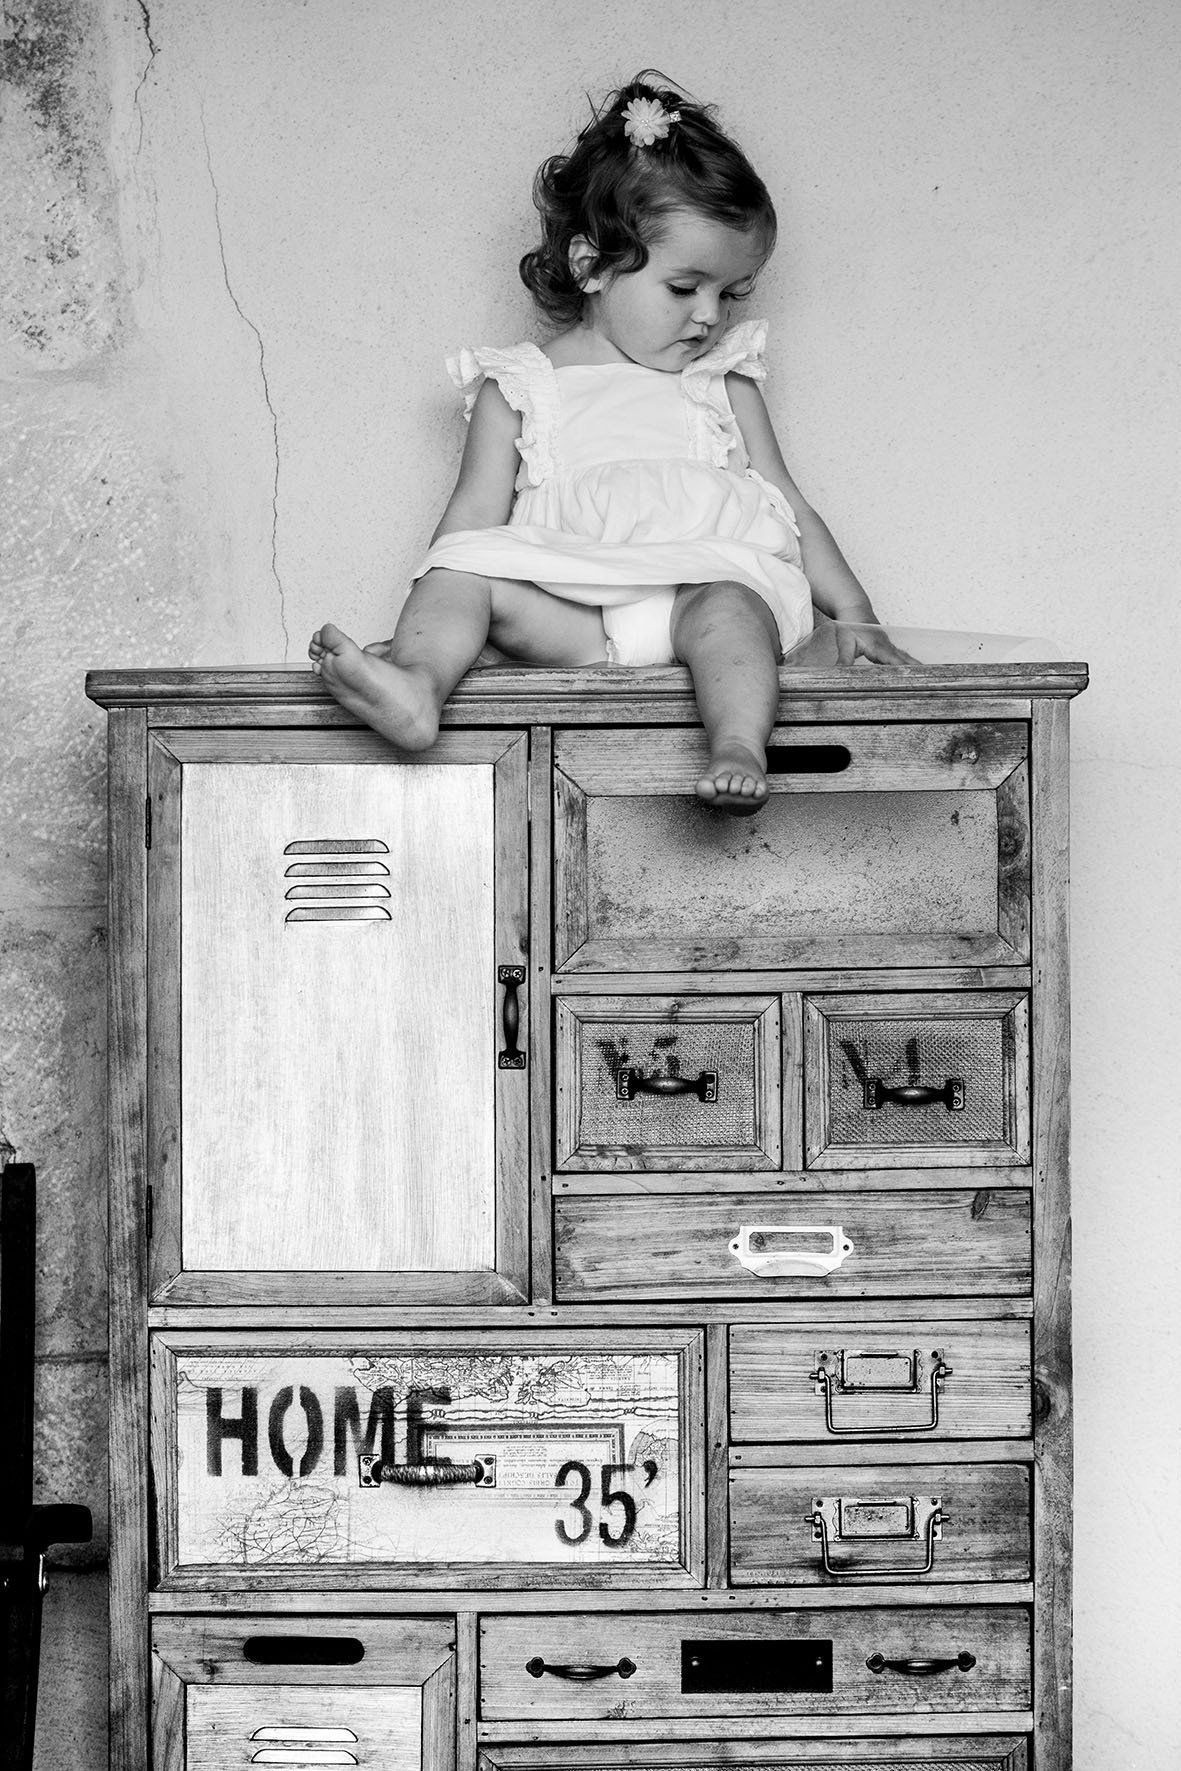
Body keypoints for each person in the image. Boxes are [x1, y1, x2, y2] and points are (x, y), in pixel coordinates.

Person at [310, 73, 905, 812]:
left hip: (698, 597)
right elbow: (468, 524)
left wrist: (855, 617)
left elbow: (791, 508)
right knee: (459, 570)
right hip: (576, 615)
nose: (709, 316)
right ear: (591, 265)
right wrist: (426, 628)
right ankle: (417, 684)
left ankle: (736, 744)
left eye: (730, 292)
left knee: (733, 609)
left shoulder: (720, 384)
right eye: (684, 288)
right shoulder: (524, 384)